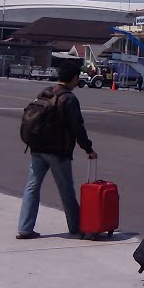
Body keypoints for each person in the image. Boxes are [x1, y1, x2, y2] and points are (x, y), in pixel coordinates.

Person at [17, 61, 97, 239]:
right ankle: (76, 226)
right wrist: (88, 149)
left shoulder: (46, 92)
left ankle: (24, 227)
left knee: (32, 186)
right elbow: (77, 128)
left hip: (37, 147)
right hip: (57, 150)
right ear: (74, 78)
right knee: (66, 189)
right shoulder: (69, 98)